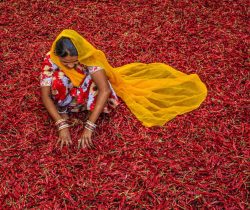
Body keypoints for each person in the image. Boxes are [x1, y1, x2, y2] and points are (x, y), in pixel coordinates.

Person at [40, 29, 207, 149]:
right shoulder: (51, 58)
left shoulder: (89, 58)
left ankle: (84, 110)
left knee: (95, 80)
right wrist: (61, 124)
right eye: (65, 62)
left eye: (74, 61)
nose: (70, 65)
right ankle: (64, 110)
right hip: (69, 95)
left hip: (86, 92)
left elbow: (104, 90)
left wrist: (89, 126)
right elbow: (46, 95)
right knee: (59, 79)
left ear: (81, 55)